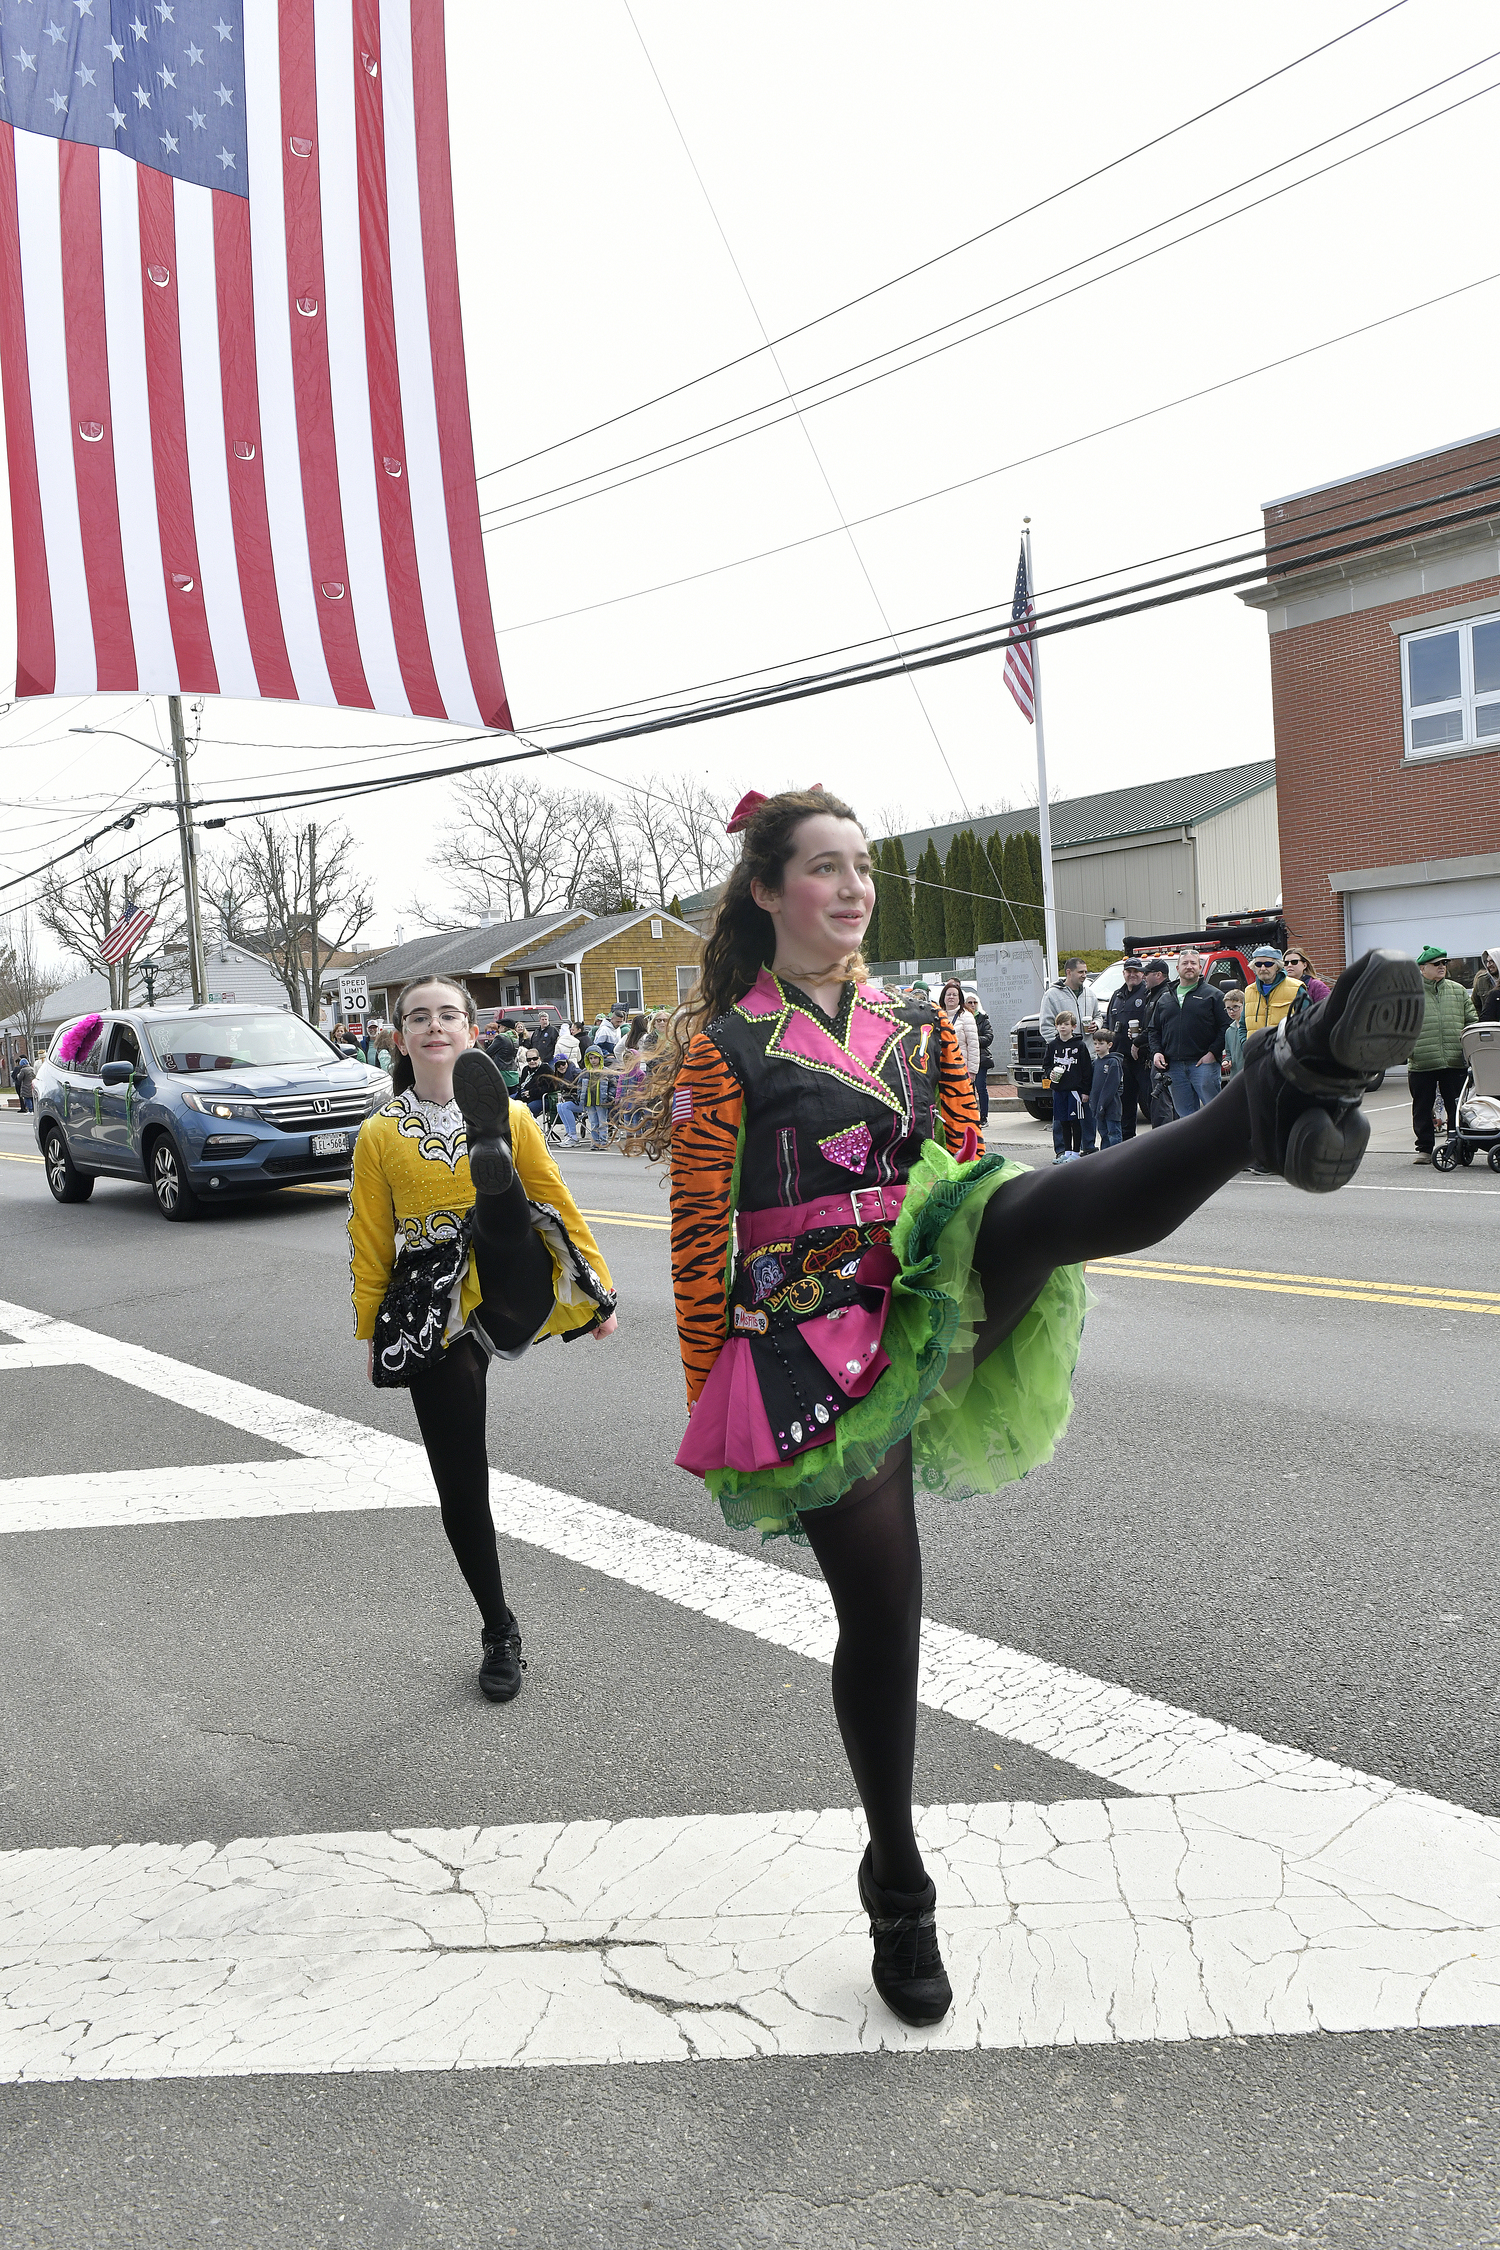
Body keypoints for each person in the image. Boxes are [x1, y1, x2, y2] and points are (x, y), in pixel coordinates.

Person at [636, 783, 1420, 2031]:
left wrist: (956, 1233)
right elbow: (694, 1244)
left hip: (934, 1267)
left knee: (1034, 1212)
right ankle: (896, 1878)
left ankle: (1268, 1092)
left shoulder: (918, 1025)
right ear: (770, 892)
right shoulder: (722, 1052)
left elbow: (961, 1165)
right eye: (826, 869)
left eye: (863, 867)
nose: (853, 889)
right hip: (811, 1340)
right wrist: (716, 1402)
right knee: (886, 1619)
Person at [348, 979, 616, 1700]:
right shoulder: (378, 1134)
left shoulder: (524, 1116)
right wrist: (371, 1326)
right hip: (429, 1303)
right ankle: (499, 1628)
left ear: (471, 1032)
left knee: (510, 1213)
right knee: (460, 1481)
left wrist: (597, 1291)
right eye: (417, 1018)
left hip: (505, 1280)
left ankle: (488, 1163)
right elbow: (369, 1239)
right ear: (399, 1039)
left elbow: (557, 1197)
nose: (433, 1026)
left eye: (447, 1015)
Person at [1407, 944, 1477, 1163]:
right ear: (1422, 968)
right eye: (1436, 964)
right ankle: (1425, 1149)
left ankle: (1456, 1144)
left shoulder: (1457, 990)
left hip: (1454, 1059)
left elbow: (1472, 1021)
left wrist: (1470, 1049)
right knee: (1422, 1107)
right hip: (1422, 1061)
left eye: (1444, 963)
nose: (1442, 967)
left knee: (1456, 1106)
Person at [1150, 945, 1230, 1116]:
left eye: (1193, 963)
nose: (1189, 966)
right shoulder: (1165, 998)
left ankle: (1218, 1143)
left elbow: (1226, 1027)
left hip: (1203, 1065)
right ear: (1177, 968)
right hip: (1174, 1068)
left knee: (1214, 1114)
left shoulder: (1213, 995)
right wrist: (1157, 1052)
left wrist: (1213, 1053)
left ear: (1200, 968)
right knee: (1185, 1119)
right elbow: (1154, 1030)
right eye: (1185, 963)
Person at [1101, 957, 1150, 1139]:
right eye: (1128, 971)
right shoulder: (1117, 995)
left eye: (1136, 971)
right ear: (1124, 973)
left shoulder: (1147, 994)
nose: (1132, 975)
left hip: (1142, 1059)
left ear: (1142, 974)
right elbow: (1107, 1021)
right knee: (1125, 1104)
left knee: (1152, 1103)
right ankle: (1128, 1144)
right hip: (1120, 1060)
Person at [1043, 1008, 1094, 1159]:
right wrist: (1049, 1073)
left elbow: (1086, 1070)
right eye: (1060, 1024)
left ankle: (1075, 1152)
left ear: (1073, 1026)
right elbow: (1046, 1065)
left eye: (1066, 1024)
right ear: (1056, 1026)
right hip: (1059, 1090)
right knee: (1063, 1122)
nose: (1063, 1027)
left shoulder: (1080, 1046)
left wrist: (1086, 1091)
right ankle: (1065, 1152)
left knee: (1075, 1121)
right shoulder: (1052, 1045)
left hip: (1075, 1091)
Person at [1139, 958, 1176, 1127]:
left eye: (1146, 973)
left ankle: (1165, 1142)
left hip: (1165, 1057)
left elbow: (1155, 1029)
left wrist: (1138, 1042)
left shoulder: (1166, 995)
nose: (1143, 976)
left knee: (1164, 1103)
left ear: (1158, 975)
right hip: (1155, 1055)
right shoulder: (1152, 994)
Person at [1243, 946, 1305, 1037]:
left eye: (1268, 964)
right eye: (1258, 964)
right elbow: (1242, 1026)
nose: (1263, 968)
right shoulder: (1249, 991)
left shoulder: (1296, 988)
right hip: (1255, 1050)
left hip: (1285, 1049)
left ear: (1277, 966)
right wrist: (1246, 1045)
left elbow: (1307, 1023)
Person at [560, 1044, 611, 1149]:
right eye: (590, 1058)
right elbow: (579, 1086)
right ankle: (595, 1142)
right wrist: (580, 1097)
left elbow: (613, 1085)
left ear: (600, 1057)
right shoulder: (584, 1072)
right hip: (589, 1101)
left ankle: (603, 1142)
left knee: (602, 1122)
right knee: (593, 1123)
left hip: (602, 1101)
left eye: (595, 1058)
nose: (593, 1060)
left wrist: (609, 1097)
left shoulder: (606, 1071)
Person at [936, 979, 979, 1087]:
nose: (951, 997)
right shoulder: (936, 1016)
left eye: (954, 995)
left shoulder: (966, 1017)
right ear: (943, 997)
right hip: (941, 1068)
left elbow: (973, 1045)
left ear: (959, 998)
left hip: (961, 1068)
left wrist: (972, 1071)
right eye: (948, 994)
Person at [1088, 1024, 1123, 1149]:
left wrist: (1103, 1104)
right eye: (1095, 1043)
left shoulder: (1113, 1062)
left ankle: (1117, 1158)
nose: (1097, 1046)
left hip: (1111, 1107)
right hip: (1098, 1106)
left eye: (1101, 1043)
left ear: (1109, 1045)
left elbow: (1111, 1086)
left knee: (1113, 1133)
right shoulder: (1095, 1063)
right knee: (1103, 1134)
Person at [1040, 957, 1091, 1040]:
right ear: (1069, 972)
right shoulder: (1051, 995)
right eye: (1080, 972)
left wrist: (1096, 1024)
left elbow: (1098, 1016)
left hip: (1088, 1051)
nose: (1084, 975)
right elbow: (1046, 1027)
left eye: (1086, 972)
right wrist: (1060, 1046)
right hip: (1065, 1052)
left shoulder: (1090, 994)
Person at [963, 989, 993, 1125]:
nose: (972, 1005)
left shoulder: (983, 1018)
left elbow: (989, 1037)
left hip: (981, 1058)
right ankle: (971, 1116)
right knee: (969, 1089)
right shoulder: (961, 1018)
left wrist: (973, 1039)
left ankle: (984, 1117)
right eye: (969, 1002)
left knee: (981, 1088)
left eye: (975, 1002)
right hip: (966, 1058)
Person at [1221, 987, 1247, 1080]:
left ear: (1244, 1005)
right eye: (1228, 1008)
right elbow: (1228, 1053)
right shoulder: (1229, 1031)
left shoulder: (1249, 1027)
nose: (1231, 1011)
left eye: (1236, 1007)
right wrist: (1227, 1061)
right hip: (1235, 1077)